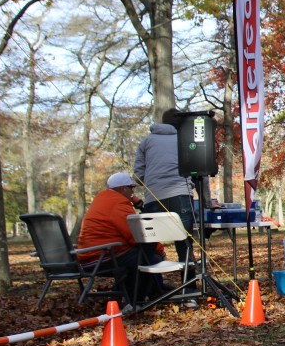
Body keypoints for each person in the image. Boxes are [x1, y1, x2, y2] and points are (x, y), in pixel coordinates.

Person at [135, 108, 198, 307]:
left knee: (147, 247)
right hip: (181, 195)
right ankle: (190, 294)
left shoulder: (146, 141)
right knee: (184, 246)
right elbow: (197, 170)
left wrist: (152, 182)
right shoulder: (185, 140)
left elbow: (138, 174)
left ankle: (140, 296)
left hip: (153, 198)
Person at [77, 172, 166, 306]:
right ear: (123, 188)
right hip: (100, 257)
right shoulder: (118, 203)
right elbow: (137, 235)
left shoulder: (102, 199)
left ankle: (131, 292)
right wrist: (160, 250)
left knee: (142, 255)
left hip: (88, 255)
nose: (132, 192)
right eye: (131, 188)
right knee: (149, 258)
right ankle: (136, 300)